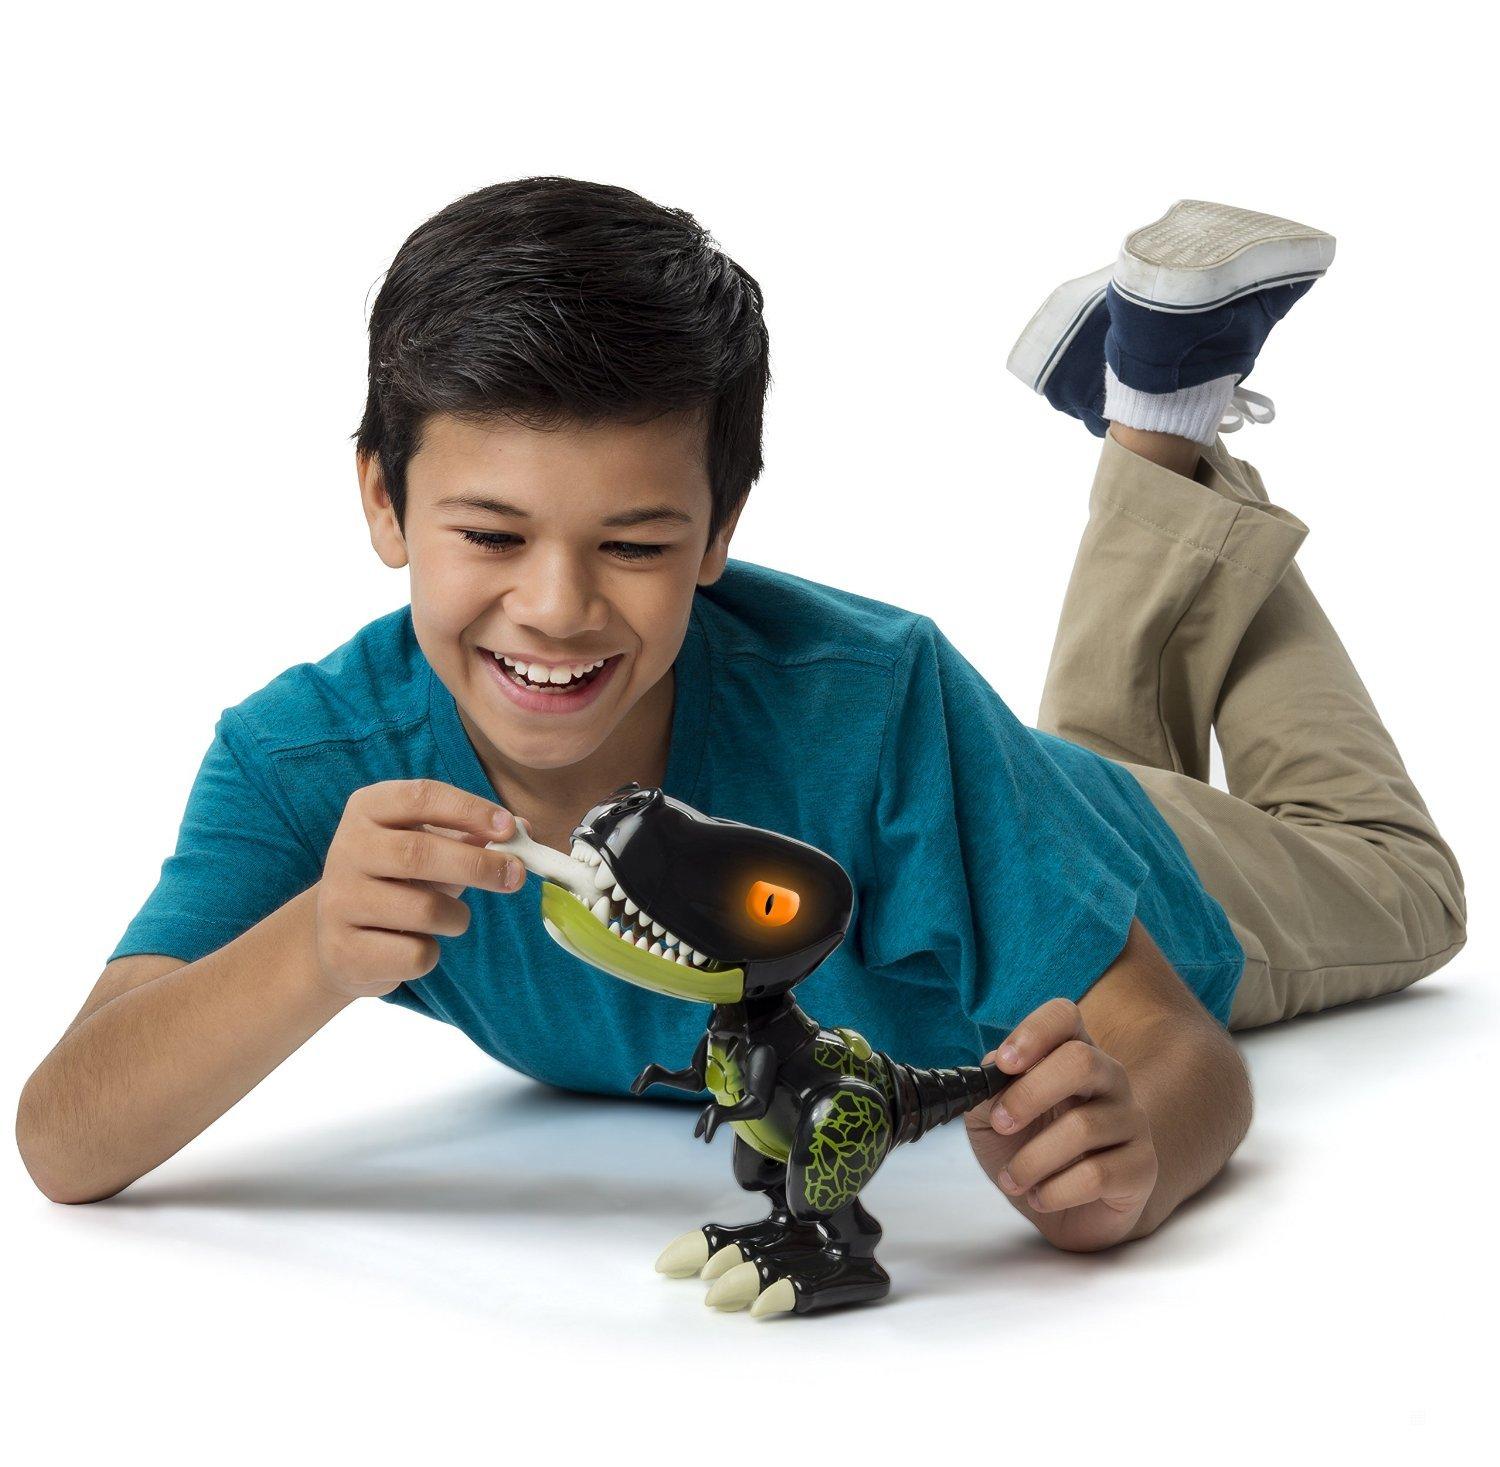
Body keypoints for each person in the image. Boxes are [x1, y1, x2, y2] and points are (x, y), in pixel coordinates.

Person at [16, 183, 1466, 1261]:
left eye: (636, 544)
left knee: (1398, 869)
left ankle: (1177, 425)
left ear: (721, 531)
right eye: (492, 535)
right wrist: (311, 951)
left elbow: (1172, 1046)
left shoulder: (874, 698)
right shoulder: (309, 765)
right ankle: (1155, 415)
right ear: (384, 503)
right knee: (1069, 749)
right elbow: (66, 1137)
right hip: (1004, 813)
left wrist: (1141, 1160)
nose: (556, 608)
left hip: (1154, 862)